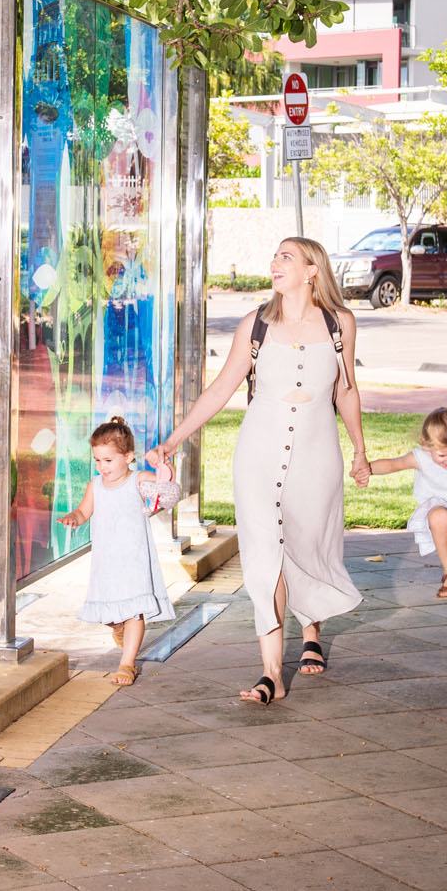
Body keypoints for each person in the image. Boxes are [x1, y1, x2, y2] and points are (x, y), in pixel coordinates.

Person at [150, 238, 366, 706]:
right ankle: (272, 672)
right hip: (259, 453)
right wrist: (172, 440)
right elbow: (220, 389)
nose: (274, 262)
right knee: (266, 555)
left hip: (318, 452)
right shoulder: (256, 326)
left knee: (309, 543)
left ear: (312, 270)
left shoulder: (340, 324)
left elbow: (347, 391)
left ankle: (312, 629)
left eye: (286, 256)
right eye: (273, 255)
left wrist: (360, 451)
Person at [356, 404, 447, 631]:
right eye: (442, 455)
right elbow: (393, 463)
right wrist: (367, 469)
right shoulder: (420, 456)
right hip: (443, 505)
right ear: (427, 445)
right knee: (437, 516)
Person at [60, 416, 176, 686]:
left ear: (128, 456)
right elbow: (83, 511)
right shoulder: (96, 486)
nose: (102, 467)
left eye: (108, 461)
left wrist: (165, 470)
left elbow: (165, 486)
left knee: (134, 610)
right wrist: (73, 518)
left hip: (134, 560)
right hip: (106, 563)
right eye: (98, 461)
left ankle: (127, 664)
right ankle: (118, 628)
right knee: (111, 615)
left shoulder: (138, 480)